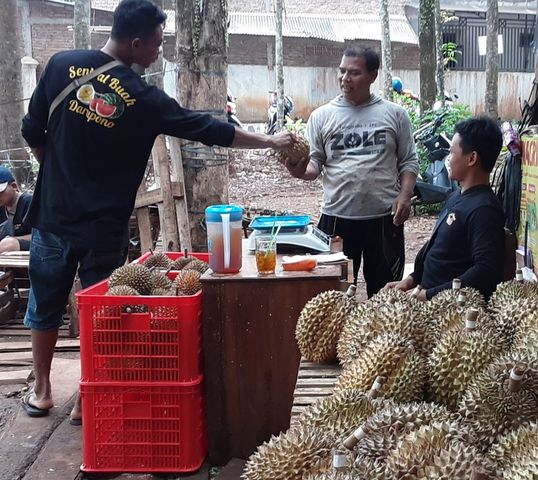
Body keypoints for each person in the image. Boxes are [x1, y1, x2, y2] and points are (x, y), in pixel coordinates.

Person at [19, 0, 295, 423]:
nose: (159, 50)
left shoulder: (61, 66)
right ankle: (87, 398)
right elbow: (209, 129)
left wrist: (56, 171)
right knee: (104, 311)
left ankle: (40, 391)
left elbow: (31, 131)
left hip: (54, 214)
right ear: (135, 42)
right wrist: (270, 142)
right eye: (157, 42)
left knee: (45, 303)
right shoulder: (144, 98)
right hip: (105, 227)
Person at [284, 47, 419, 297]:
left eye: (354, 73)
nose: (345, 78)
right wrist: (298, 170)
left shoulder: (395, 115)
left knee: (386, 295)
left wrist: (405, 194)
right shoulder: (321, 117)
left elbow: (409, 161)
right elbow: (315, 166)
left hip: (383, 220)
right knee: (334, 295)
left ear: (372, 75)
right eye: (342, 71)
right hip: (337, 220)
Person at [385, 116, 507, 300]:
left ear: (472, 158)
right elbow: (441, 246)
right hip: (424, 295)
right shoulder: (457, 195)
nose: (448, 159)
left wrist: (430, 295)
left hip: (449, 312)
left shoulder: (484, 209)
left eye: (452, 153)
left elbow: (486, 271)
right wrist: (411, 279)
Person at [0, 166, 33, 253]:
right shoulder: (1, 207)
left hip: (32, 248)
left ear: (14, 186)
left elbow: (44, 236)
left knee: (8, 244)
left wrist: (14, 240)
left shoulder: (30, 202)